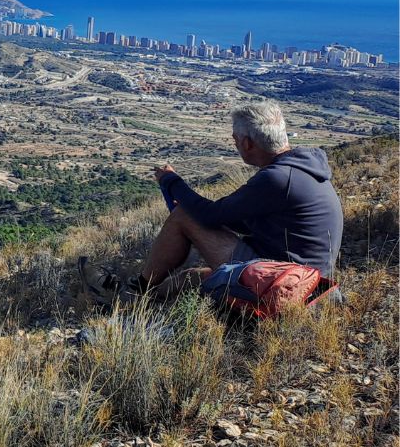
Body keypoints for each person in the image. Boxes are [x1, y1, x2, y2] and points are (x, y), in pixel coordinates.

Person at [81, 100, 343, 303]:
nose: (234, 143)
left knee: (184, 218)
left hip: (285, 279)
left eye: (235, 139)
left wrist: (171, 182)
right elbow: (236, 219)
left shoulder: (278, 179)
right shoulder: (301, 167)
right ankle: (140, 299)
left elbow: (209, 215)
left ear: (248, 143)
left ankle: (134, 295)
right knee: (190, 277)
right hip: (306, 279)